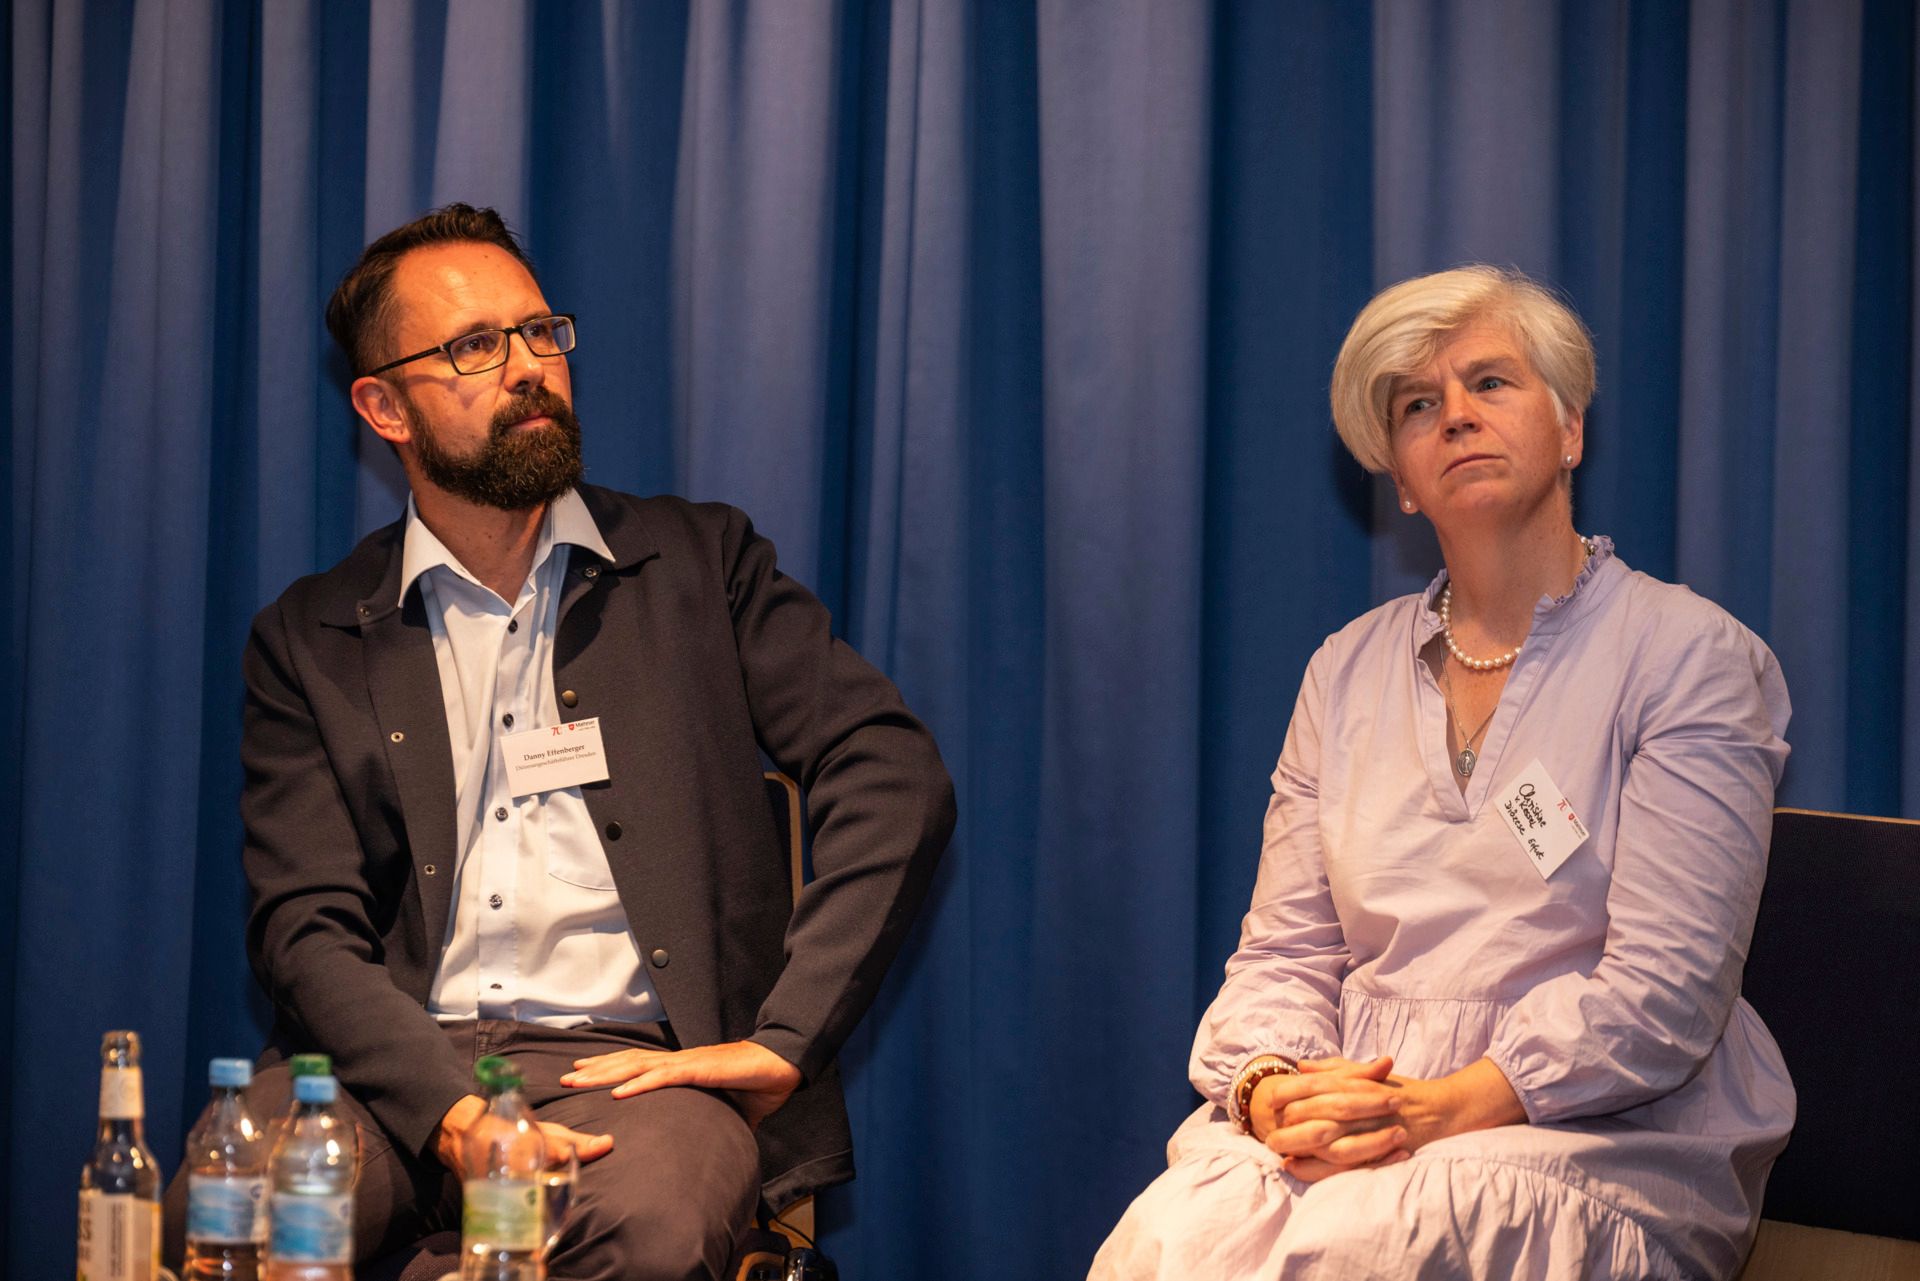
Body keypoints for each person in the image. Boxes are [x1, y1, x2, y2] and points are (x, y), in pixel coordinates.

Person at [169, 204, 954, 1281]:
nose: (529, 367)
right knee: (223, 1213)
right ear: (384, 407)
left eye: (540, 332)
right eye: (474, 346)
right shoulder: (312, 636)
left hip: (630, 1079)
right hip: (386, 1080)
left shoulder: (700, 565)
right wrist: (450, 1113)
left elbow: (891, 769)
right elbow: (304, 925)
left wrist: (787, 1037)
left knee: (645, 1235)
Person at [1090, 266, 1793, 1280]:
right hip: (1358, 1112)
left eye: (1491, 382)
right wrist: (1274, 1089)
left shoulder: (1691, 657)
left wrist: (1437, 1109)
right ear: (1405, 480)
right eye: (1420, 404)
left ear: (1570, 430)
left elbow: (1664, 990)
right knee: (1163, 1241)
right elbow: (1285, 952)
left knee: (1359, 1251)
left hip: (1592, 1129)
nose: (1457, 414)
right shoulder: (1343, 672)